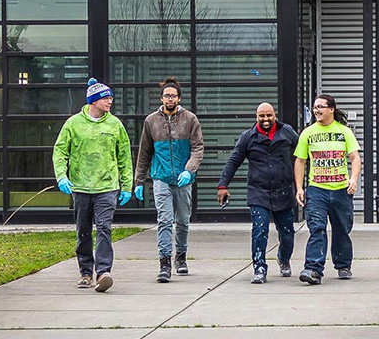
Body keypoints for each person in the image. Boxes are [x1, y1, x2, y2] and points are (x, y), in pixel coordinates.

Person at [53, 77, 133, 293]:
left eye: (111, 98)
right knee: (84, 231)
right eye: (106, 98)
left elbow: (125, 156)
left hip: (107, 187)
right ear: (94, 100)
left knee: (104, 228)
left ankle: (103, 272)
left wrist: (127, 186)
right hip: (80, 186)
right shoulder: (73, 124)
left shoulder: (115, 124)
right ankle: (85, 272)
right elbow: (60, 151)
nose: (110, 102)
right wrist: (61, 176)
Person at [217, 103, 299, 284]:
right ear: (256, 117)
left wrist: (302, 183)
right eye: (262, 116)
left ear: (274, 115)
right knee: (259, 231)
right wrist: (223, 185)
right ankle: (259, 268)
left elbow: (302, 154)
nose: (266, 119)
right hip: (258, 192)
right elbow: (234, 161)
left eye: (269, 115)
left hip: (284, 190)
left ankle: (284, 259)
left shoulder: (287, 132)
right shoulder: (248, 137)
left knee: (287, 233)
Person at [133, 77, 204, 283]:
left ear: (179, 98)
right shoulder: (151, 121)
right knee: (164, 220)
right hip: (161, 177)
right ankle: (164, 263)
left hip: (183, 179)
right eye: (166, 95)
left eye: (173, 95)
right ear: (162, 98)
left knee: (182, 220)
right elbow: (144, 152)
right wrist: (139, 180)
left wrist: (189, 170)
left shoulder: (190, 119)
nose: (169, 99)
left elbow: (198, 148)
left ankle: (180, 256)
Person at [294, 94, 361, 285]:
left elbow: (355, 158)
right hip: (317, 190)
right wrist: (299, 188)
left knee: (341, 229)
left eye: (320, 107)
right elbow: (300, 161)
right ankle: (313, 269)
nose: (317, 110)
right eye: (315, 107)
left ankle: (343, 264)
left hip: (341, 190)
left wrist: (353, 178)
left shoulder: (344, 132)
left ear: (331, 109)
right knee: (317, 228)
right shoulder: (307, 133)